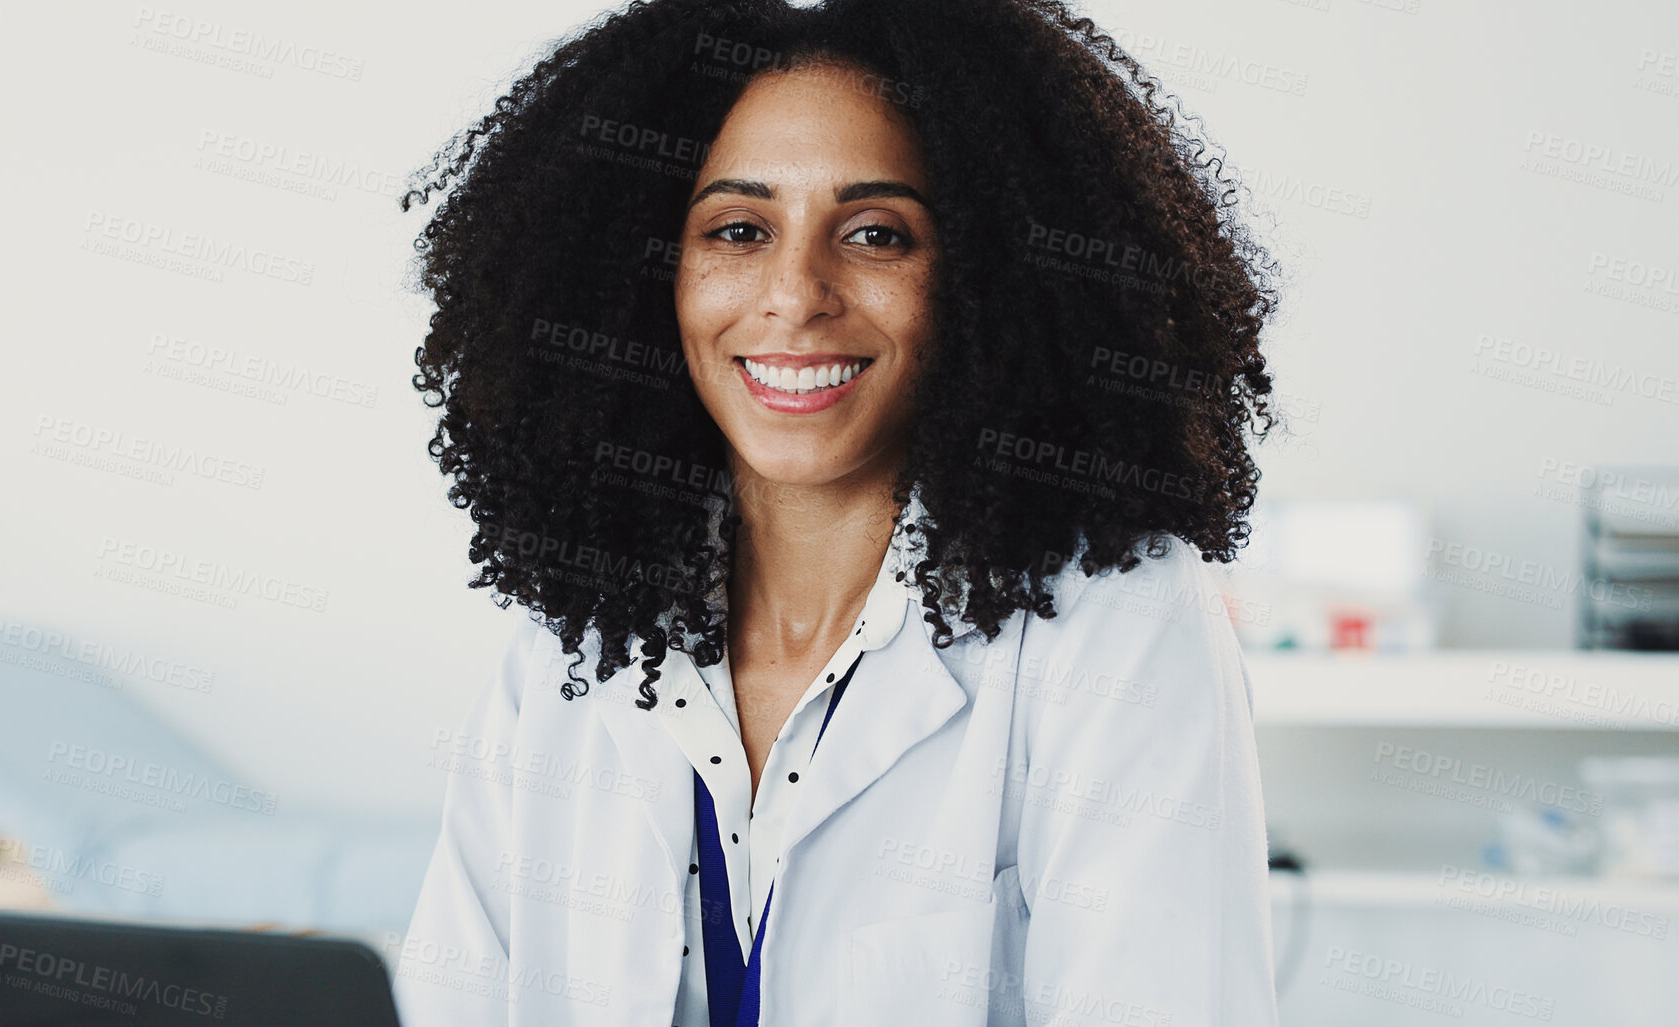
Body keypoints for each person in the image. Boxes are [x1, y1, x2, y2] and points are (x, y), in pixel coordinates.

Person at [394, 0, 1283, 1024]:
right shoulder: (572, 645)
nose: (796, 293)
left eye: (876, 234)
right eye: (737, 230)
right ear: (647, 277)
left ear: (991, 279)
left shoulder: (1116, 624)